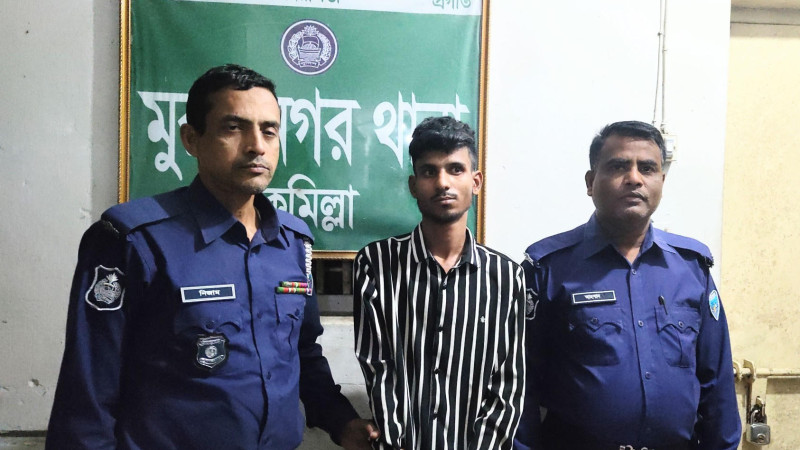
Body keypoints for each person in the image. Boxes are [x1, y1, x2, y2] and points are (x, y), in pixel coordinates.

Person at [46, 64, 378, 449]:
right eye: (233, 127)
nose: (256, 145)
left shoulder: (292, 241)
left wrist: (342, 422)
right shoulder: (134, 239)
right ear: (191, 139)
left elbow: (302, 353)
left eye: (269, 130)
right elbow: (87, 395)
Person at [514, 121, 740, 450]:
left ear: (661, 182)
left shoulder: (691, 268)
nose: (634, 178)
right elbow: (520, 385)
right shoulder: (548, 268)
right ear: (590, 182)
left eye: (647, 168)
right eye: (618, 166)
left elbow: (717, 383)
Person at [353, 116, 526, 450]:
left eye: (455, 169)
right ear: (413, 184)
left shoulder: (507, 276)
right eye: (429, 171)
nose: (443, 182)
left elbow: (508, 384)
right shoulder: (376, 264)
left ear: (476, 181)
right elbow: (378, 369)